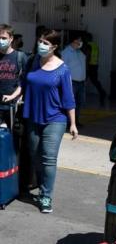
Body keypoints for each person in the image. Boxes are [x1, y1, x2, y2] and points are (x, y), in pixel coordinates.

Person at [22, 29, 78, 213]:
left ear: (54, 46)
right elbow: (23, 85)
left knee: (48, 158)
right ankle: (40, 186)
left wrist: (73, 124)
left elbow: (69, 99)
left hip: (55, 119)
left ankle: (46, 196)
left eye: (46, 43)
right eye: (40, 41)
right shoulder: (33, 62)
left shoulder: (62, 69)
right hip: (32, 116)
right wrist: (12, 96)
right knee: (35, 156)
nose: (41, 45)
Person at [0, 24, 28, 128]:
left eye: (3, 38)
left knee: (12, 138)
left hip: (13, 106)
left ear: (11, 39)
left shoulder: (20, 57)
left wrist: (15, 96)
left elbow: (24, 81)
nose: (1, 40)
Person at [61, 34, 86, 127]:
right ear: (73, 41)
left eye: (80, 41)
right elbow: (63, 68)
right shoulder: (66, 52)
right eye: (78, 41)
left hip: (81, 82)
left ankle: (75, 120)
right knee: (70, 103)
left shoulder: (80, 52)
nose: (80, 43)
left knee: (79, 103)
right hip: (72, 82)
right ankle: (68, 122)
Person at [83, 32, 106, 105]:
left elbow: (88, 57)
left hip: (89, 65)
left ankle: (79, 97)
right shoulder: (95, 46)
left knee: (82, 81)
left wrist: (86, 67)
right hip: (95, 65)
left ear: (87, 38)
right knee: (95, 81)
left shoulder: (88, 46)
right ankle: (102, 92)